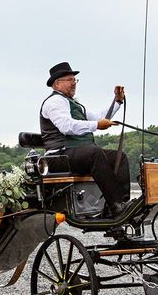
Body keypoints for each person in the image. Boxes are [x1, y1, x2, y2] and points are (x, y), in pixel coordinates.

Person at [40, 61, 129, 217]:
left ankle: (120, 203)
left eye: (75, 80)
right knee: (94, 153)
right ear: (57, 83)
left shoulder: (74, 103)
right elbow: (66, 126)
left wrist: (117, 101)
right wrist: (96, 125)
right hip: (58, 156)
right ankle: (116, 204)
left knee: (119, 157)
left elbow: (99, 118)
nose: (74, 83)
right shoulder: (54, 102)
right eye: (69, 80)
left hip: (74, 154)